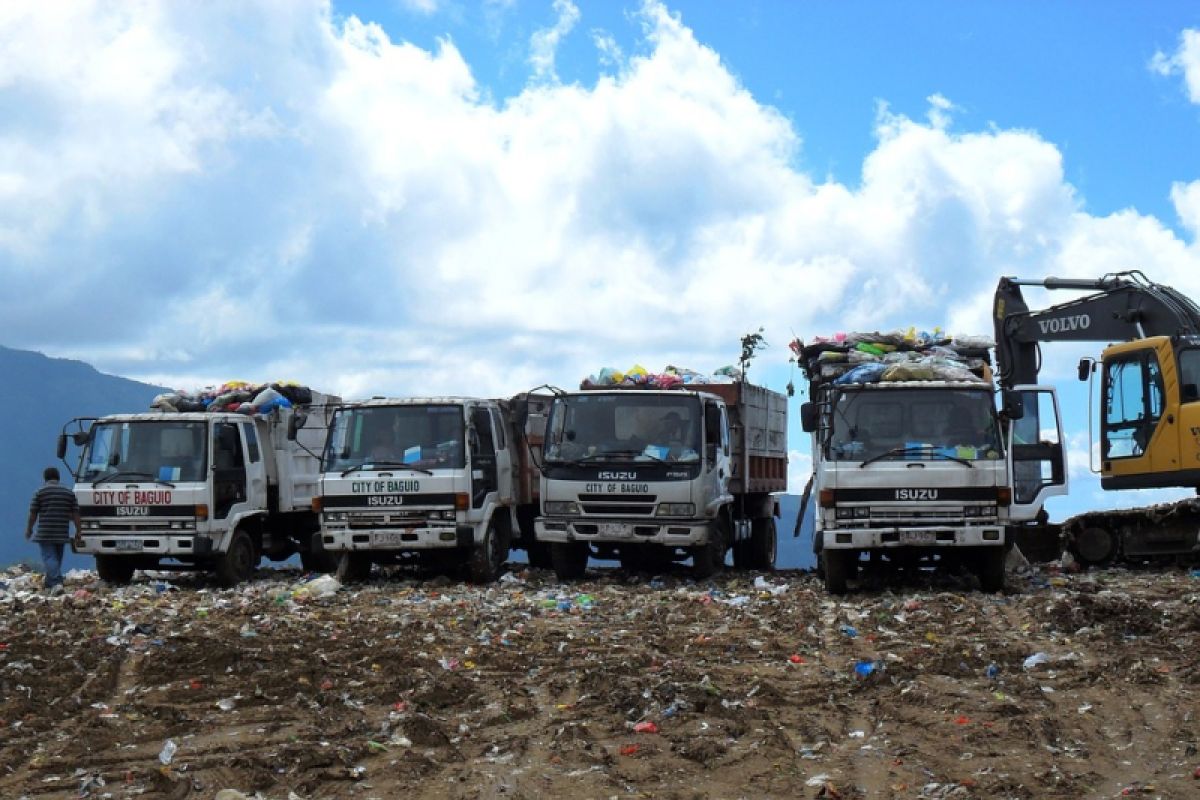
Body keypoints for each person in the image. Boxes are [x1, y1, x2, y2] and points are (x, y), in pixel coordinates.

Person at [25, 467, 82, 593]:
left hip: (45, 532)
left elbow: (33, 513)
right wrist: (78, 531)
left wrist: (29, 529)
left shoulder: (39, 492)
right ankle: (50, 582)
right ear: (58, 477)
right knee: (57, 557)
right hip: (62, 531)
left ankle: (56, 583)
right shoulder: (68, 493)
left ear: (45, 478)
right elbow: (75, 514)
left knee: (50, 557)